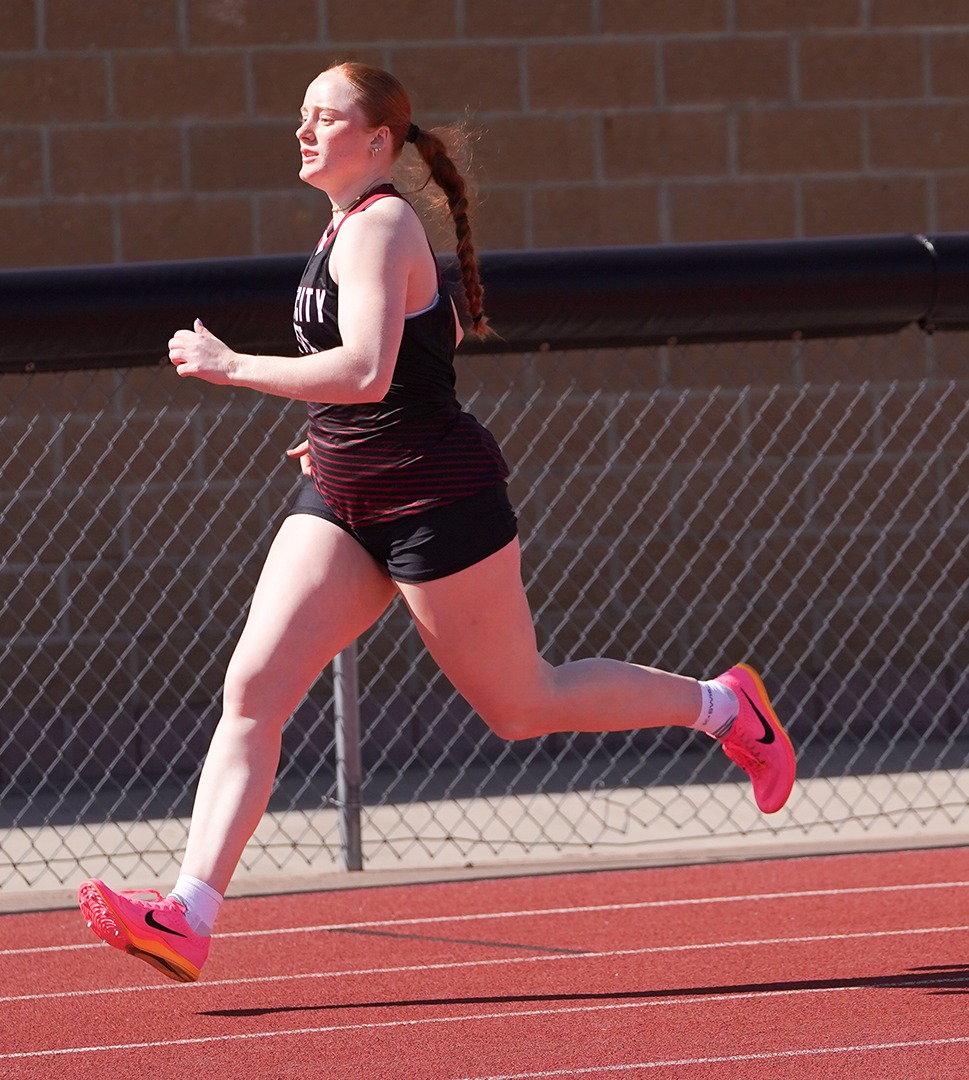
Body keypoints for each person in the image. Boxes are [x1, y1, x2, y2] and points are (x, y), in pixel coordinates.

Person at [76, 62, 796, 984]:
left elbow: (370, 370)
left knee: (522, 704)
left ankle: (727, 707)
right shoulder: (346, 227)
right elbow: (424, 349)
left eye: (324, 118)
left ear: (377, 141)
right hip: (343, 499)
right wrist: (338, 434)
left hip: (435, 503)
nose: (303, 130)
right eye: (301, 115)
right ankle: (188, 915)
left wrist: (231, 364)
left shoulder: (381, 224)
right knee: (255, 685)